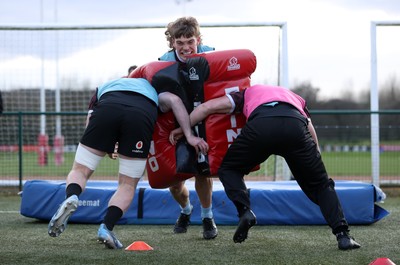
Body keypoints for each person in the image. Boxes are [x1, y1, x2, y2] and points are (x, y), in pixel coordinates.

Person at [170, 84, 361, 250]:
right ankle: (343, 235)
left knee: (229, 169)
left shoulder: (247, 93)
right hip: (294, 126)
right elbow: (309, 126)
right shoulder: (295, 98)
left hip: (261, 125)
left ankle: (244, 211)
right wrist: (315, 154)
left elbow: (206, 107)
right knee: (321, 186)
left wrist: (183, 130)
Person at [47, 77, 208, 249]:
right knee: (127, 185)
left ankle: (72, 196)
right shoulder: (153, 88)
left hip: (107, 107)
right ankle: (106, 227)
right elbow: (175, 101)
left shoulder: (105, 86)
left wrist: (104, 144)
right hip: (141, 113)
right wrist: (189, 136)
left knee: (80, 170)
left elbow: (91, 120)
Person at [158, 16, 218, 240]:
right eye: (180, 42)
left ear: (198, 39)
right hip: (175, 122)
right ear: (172, 42)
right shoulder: (163, 62)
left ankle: (207, 217)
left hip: (206, 118)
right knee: (175, 183)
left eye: (190, 41)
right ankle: (186, 210)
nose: (185, 47)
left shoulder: (212, 56)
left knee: (204, 171)